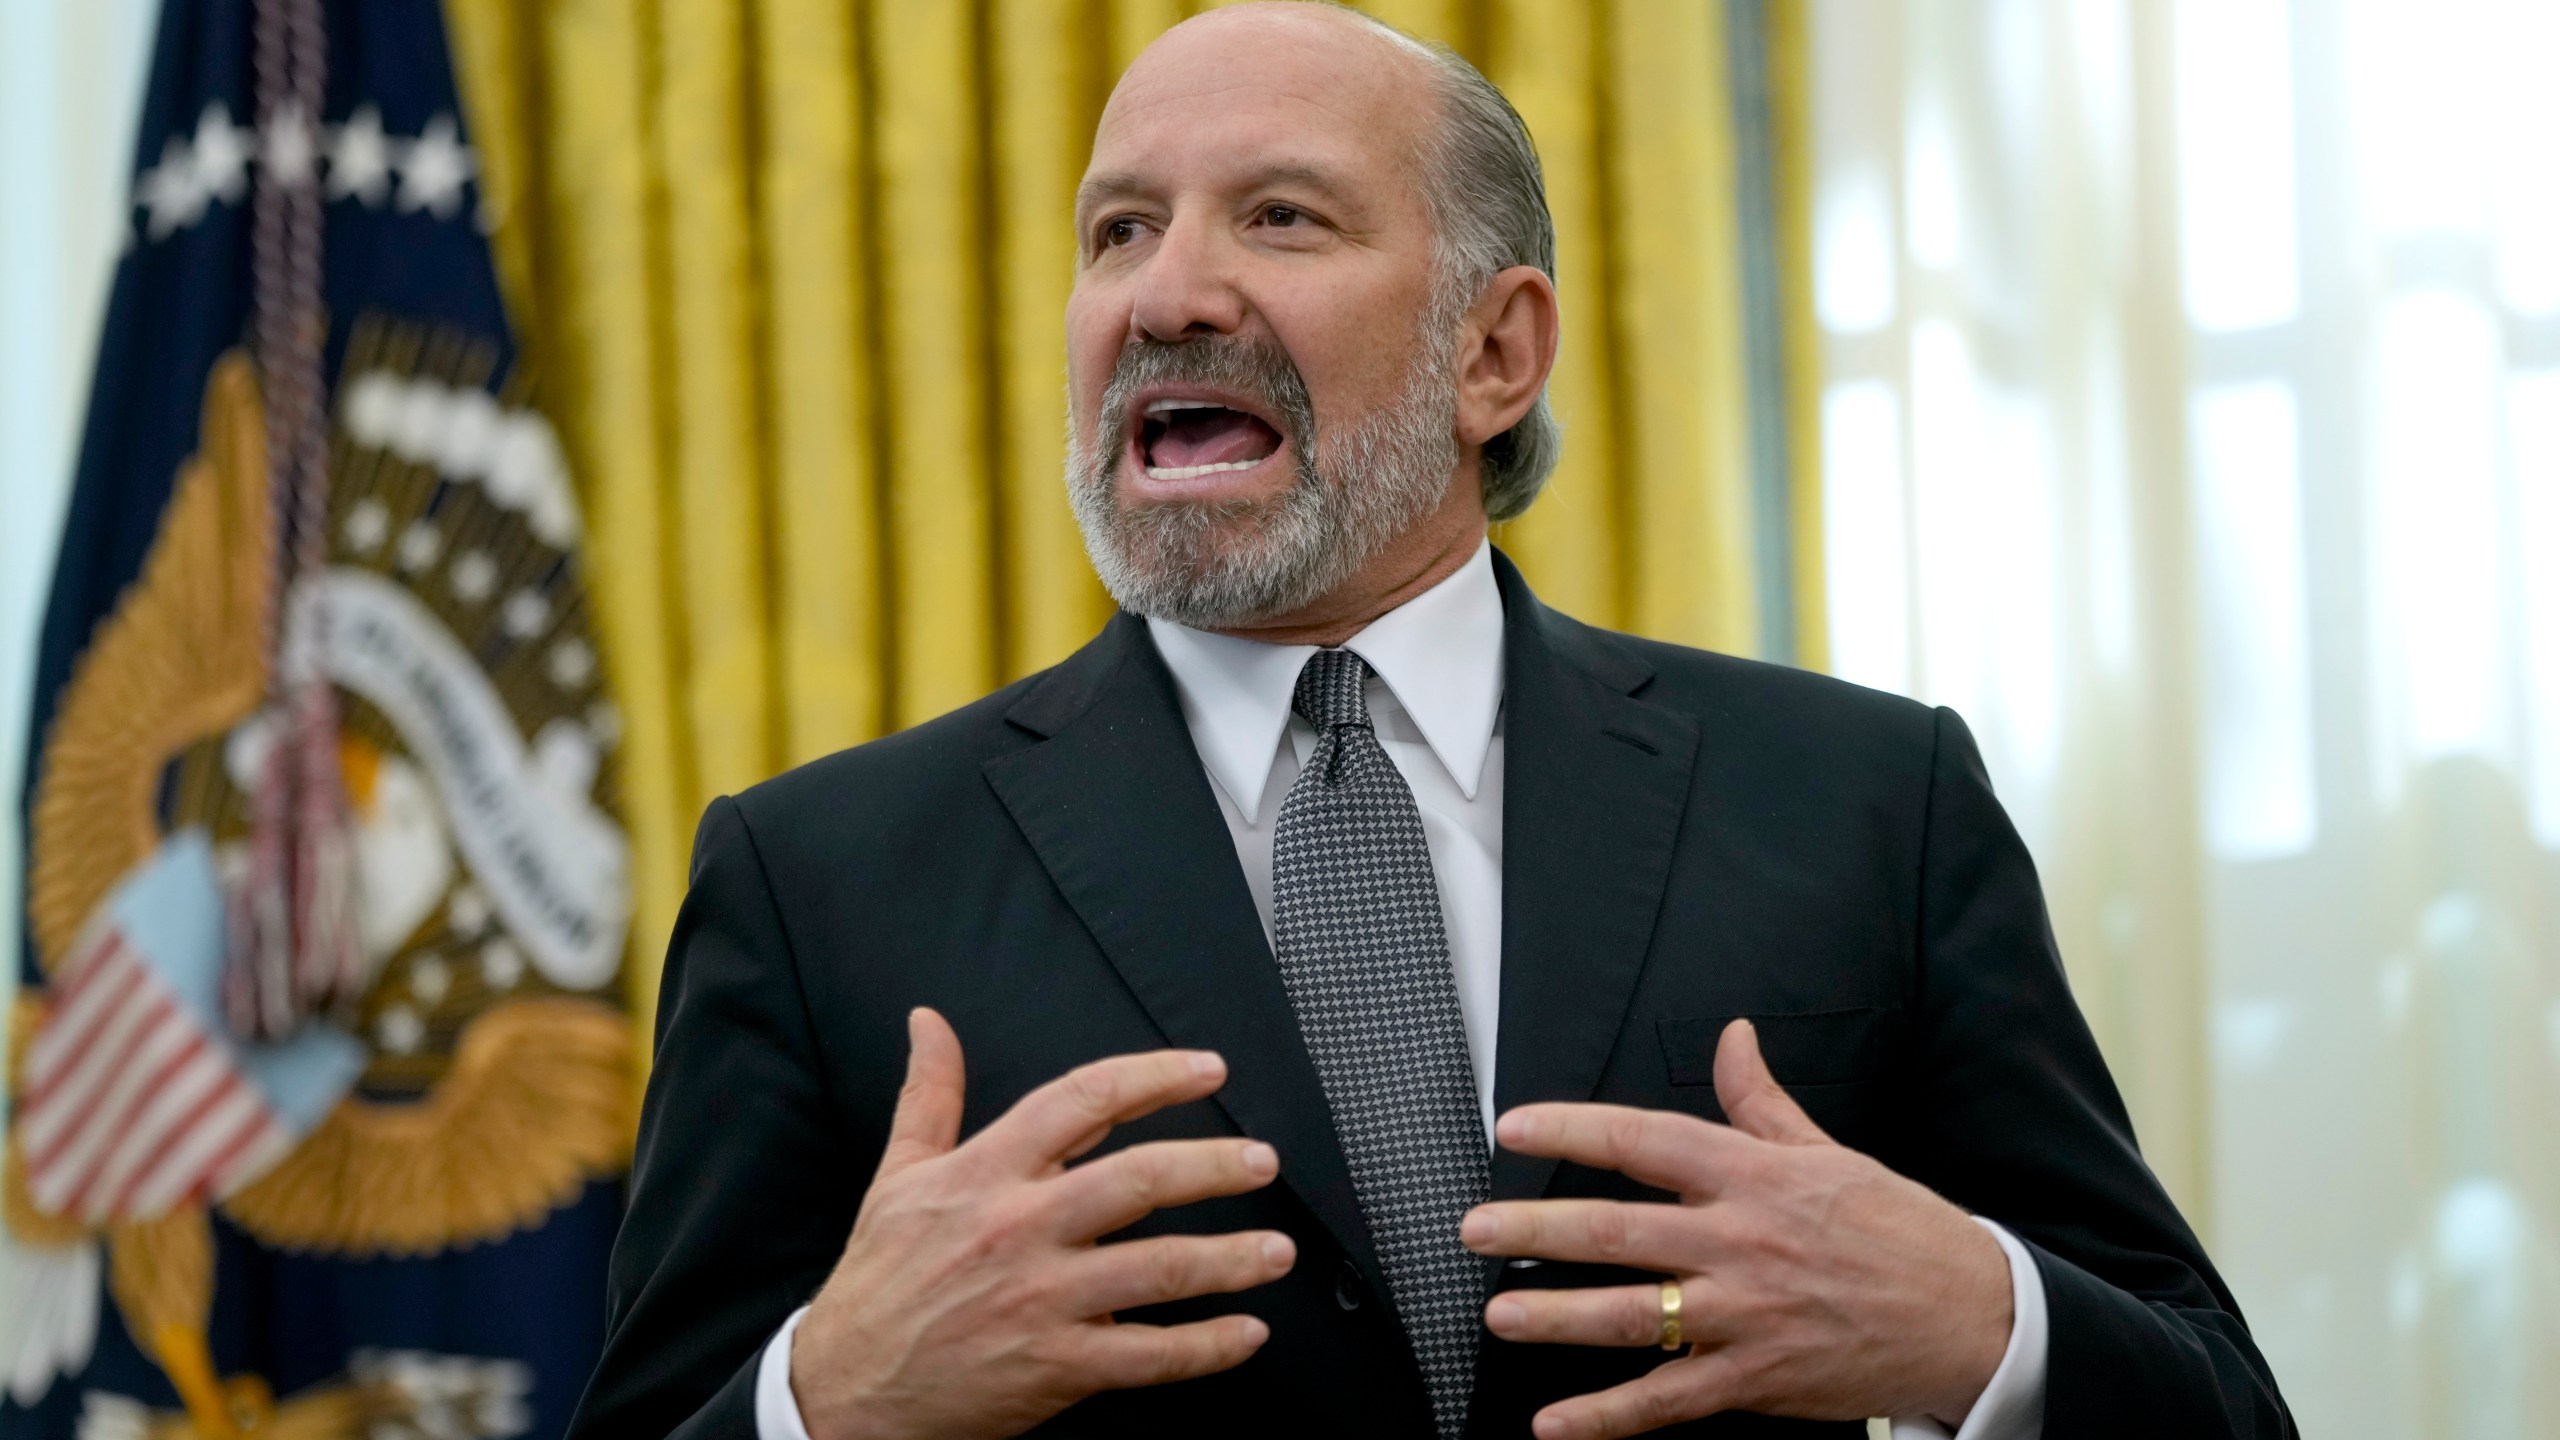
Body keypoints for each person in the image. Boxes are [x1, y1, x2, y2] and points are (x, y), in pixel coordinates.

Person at [566, 5, 2293, 1438]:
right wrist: (826, 1397)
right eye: (1119, 229)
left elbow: (2218, 1400)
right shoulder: (822, 878)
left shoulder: (1864, 801)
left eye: (1281, 217)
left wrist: (1980, 1324)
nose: (1168, 292)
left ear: (1499, 352)